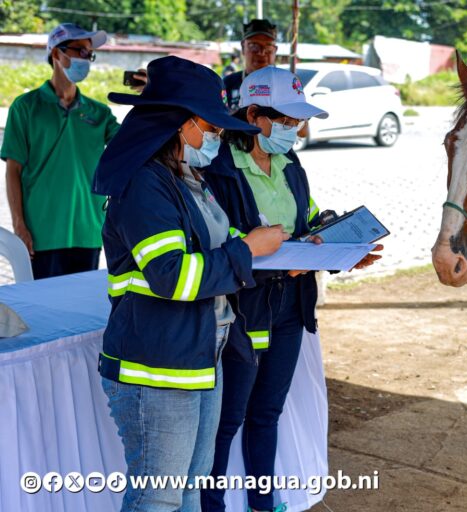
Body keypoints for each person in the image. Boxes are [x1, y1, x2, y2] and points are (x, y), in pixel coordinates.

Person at [93, 56, 289, 512]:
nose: (219, 136)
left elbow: (219, 241)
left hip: (199, 358)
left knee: (188, 492)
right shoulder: (144, 186)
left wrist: (277, 248)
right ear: (182, 125)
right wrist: (249, 251)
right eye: (211, 127)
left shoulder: (186, 179)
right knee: (157, 497)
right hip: (157, 369)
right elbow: (173, 276)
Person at [200, 66, 381, 512]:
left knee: (267, 414)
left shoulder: (290, 164)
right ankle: (212, 506)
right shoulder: (218, 167)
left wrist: (335, 242)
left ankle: (263, 502)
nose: (295, 131)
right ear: (255, 114)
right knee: (227, 420)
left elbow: (308, 220)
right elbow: (216, 242)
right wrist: (278, 255)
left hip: (288, 308)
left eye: (299, 122)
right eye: (285, 121)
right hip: (242, 309)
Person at [1, 23, 119, 279]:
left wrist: (151, 95)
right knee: (41, 311)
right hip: (41, 231)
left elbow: (134, 143)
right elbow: (13, 171)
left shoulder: (100, 113)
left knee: (77, 313)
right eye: (81, 51)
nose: (87, 59)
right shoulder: (26, 107)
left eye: (90, 54)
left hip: (87, 230)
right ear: (56, 53)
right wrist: (19, 225)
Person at [223, 19, 278, 112]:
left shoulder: (287, 85)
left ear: (275, 50)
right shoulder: (228, 84)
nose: (261, 53)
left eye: (268, 46)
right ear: (243, 48)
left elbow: (300, 123)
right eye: (254, 46)